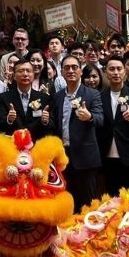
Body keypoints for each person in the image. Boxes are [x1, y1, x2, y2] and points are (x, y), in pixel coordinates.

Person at [52, 53, 104, 212]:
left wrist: (89, 117)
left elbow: (100, 119)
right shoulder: (58, 96)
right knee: (66, 201)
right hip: (63, 157)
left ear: (80, 71)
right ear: (61, 72)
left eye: (74, 67)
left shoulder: (92, 94)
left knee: (87, 204)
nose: (71, 71)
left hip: (85, 158)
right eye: (66, 68)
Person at [97, 55, 129, 208]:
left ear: (125, 72)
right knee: (112, 201)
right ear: (106, 72)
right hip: (108, 156)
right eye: (111, 69)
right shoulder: (100, 96)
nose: (116, 72)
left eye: (119, 69)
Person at [0, 58, 53, 142]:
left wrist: (45, 121)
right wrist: (9, 119)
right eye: (21, 71)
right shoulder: (4, 98)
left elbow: (52, 125)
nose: (25, 74)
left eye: (28, 71)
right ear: (14, 76)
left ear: (33, 75)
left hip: (36, 146)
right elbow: (0, 124)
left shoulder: (44, 98)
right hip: (13, 145)